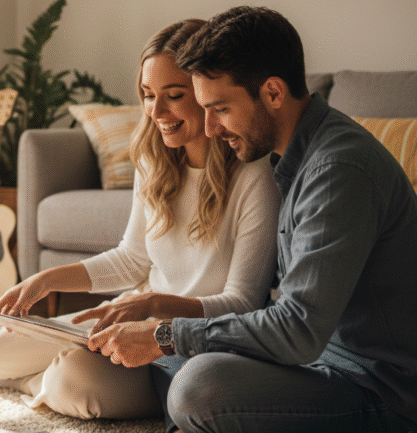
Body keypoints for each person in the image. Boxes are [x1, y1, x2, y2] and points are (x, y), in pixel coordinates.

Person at [0, 19, 280, 421]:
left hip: (185, 345)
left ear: (207, 91)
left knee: (77, 386)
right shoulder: (154, 159)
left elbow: (242, 303)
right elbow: (131, 260)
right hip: (128, 318)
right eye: (146, 94)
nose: (156, 112)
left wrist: (152, 303)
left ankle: (15, 379)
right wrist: (45, 280)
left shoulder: (254, 176)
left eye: (174, 95)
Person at [113, 6, 417, 433]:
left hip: (374, 387)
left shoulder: (336, 170)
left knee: (197, 386)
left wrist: (167, 334)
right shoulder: (292, 157)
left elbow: (297, 330)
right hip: (315, 361)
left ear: (273, 93)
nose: (212, 128)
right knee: (190, 359)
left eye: (219, 108)